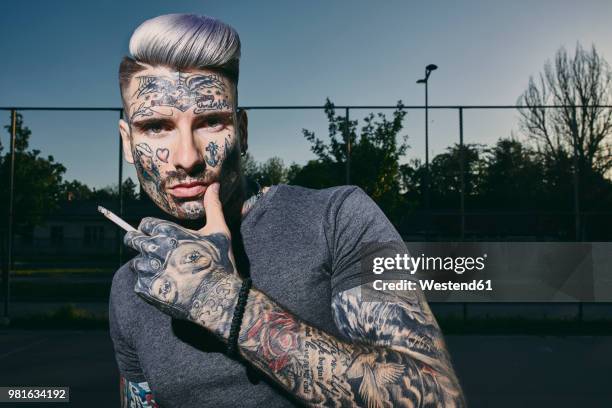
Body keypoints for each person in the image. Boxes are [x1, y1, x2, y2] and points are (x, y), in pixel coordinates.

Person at [110, 13, 465, 407]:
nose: (187, 157)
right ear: (127, 142)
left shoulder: (337, 219)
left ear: (241, 132)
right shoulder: (131, 285)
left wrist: (224, 302)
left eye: (211, 121)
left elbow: (435, 399)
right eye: (156, 127)